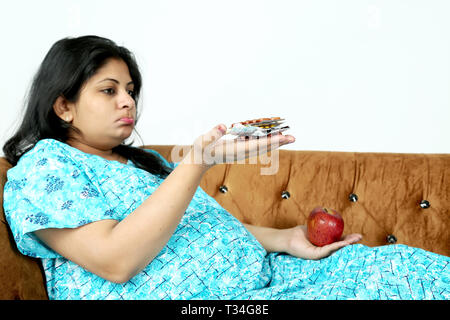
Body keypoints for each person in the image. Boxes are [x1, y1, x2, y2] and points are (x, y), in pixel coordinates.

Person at [3, 36, 448, 300]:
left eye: (131, 90)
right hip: (221, 301)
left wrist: (286, 239)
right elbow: (116, 261)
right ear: (63, 106)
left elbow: (194, 227)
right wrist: (196, 162)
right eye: (109, 90)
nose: (128, 101)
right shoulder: (46, 166)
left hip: (268, 282)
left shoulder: (144, 164)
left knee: (399, 265)